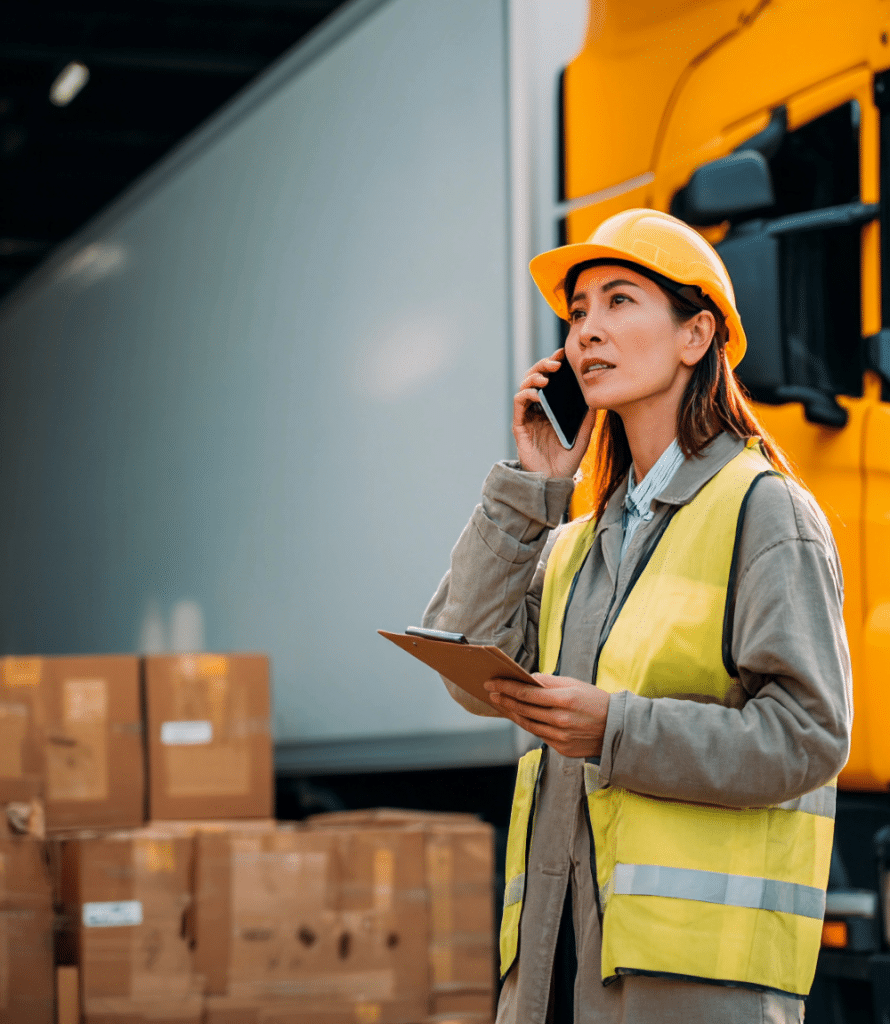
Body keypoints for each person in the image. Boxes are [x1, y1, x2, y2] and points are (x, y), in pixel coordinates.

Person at [422, 208, 852, 1024]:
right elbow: (469, 668)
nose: (587, 331)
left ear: (697, 337)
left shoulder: (764, 513)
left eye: (620, 302)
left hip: (691, 983)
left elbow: (810, 736)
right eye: (578, 312)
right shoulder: (581, 539)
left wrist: (613, 729)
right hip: (558, 964)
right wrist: (533, 486)